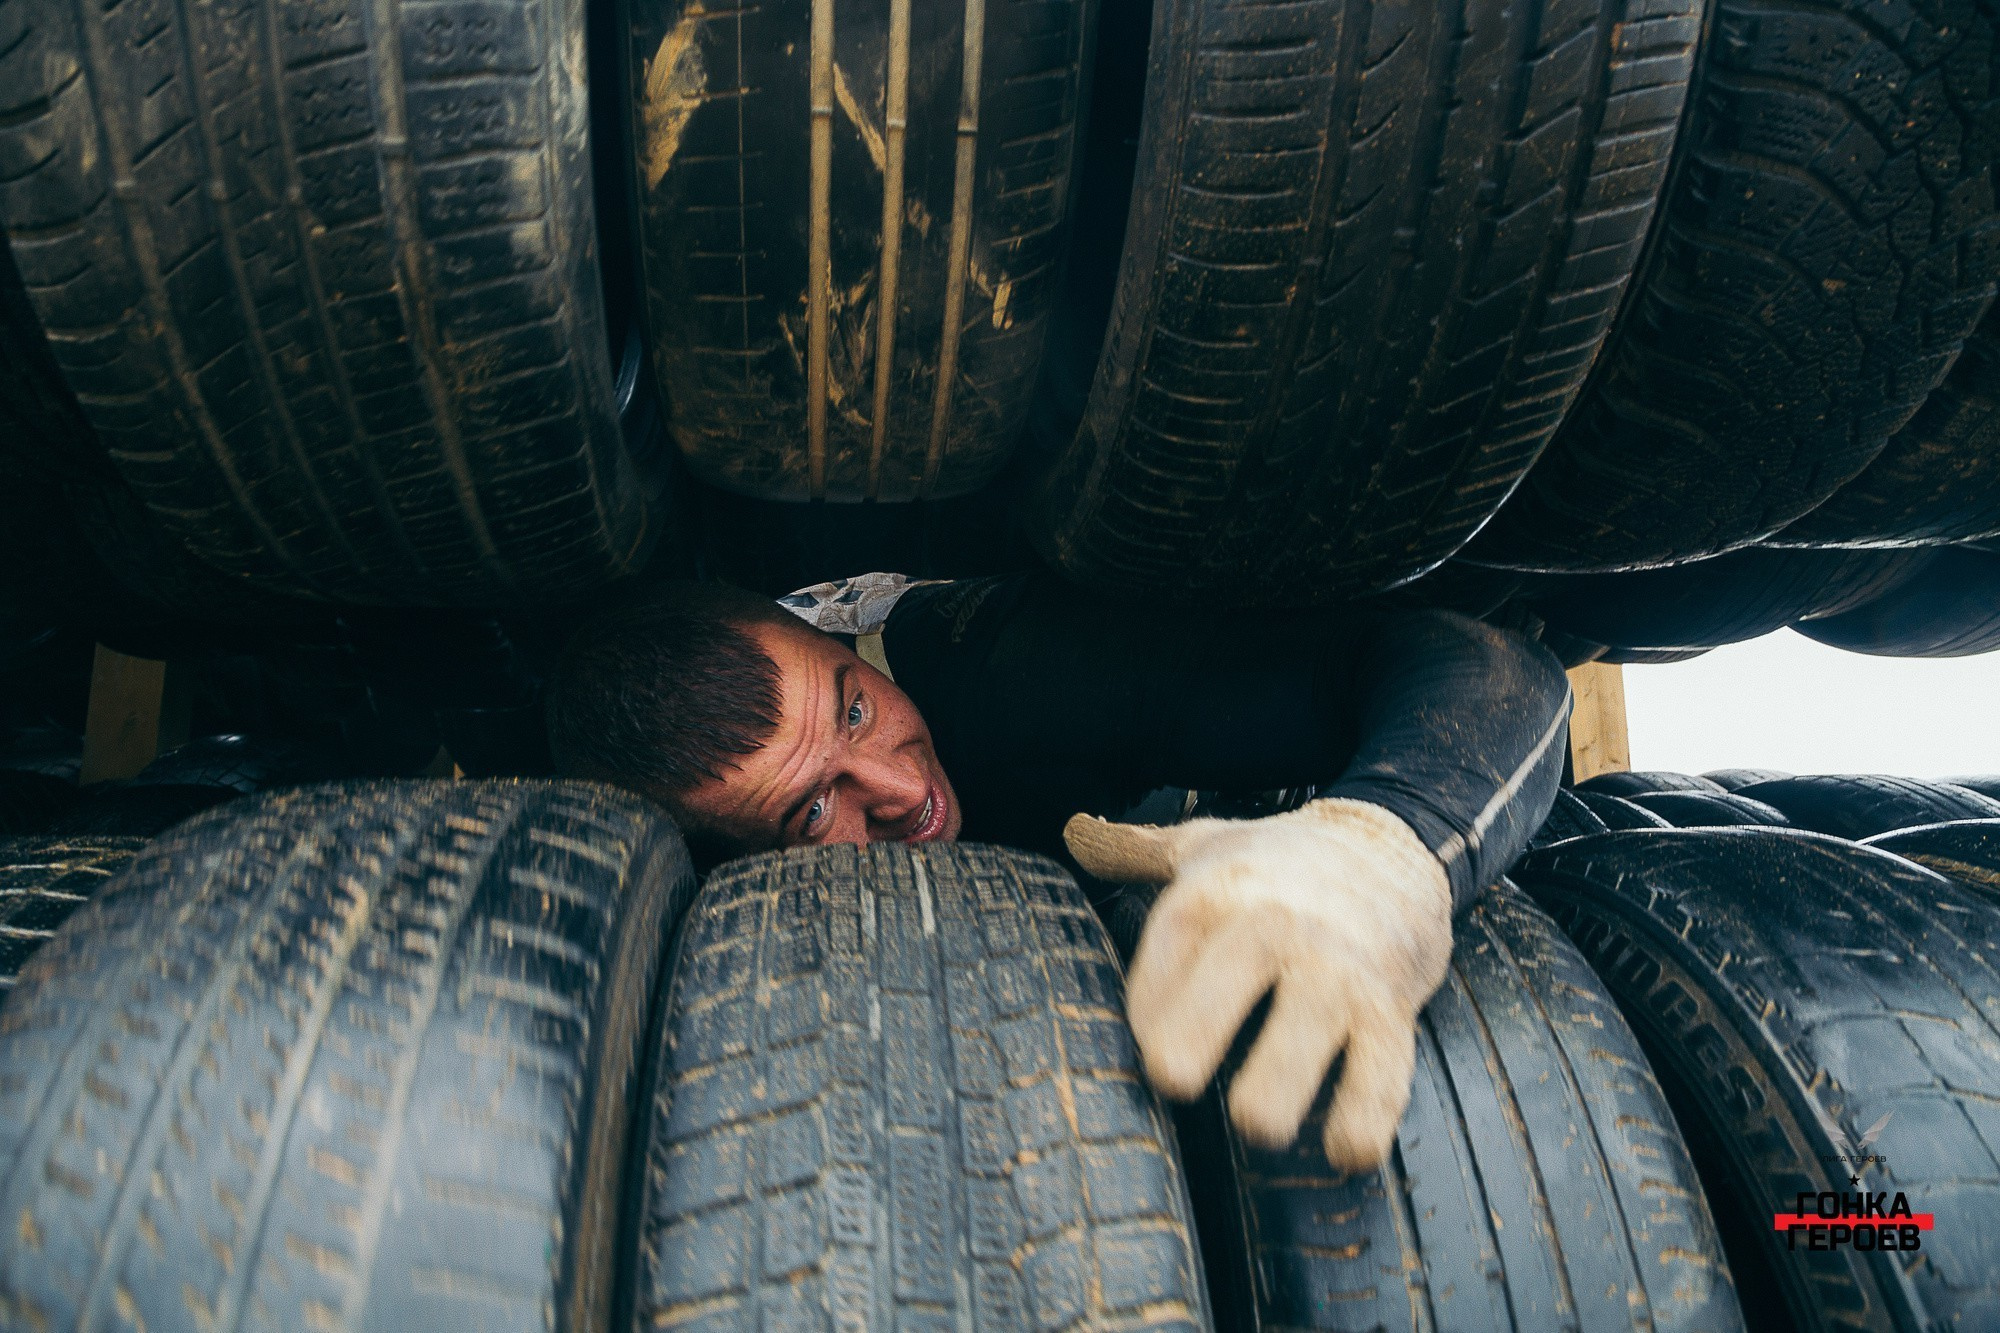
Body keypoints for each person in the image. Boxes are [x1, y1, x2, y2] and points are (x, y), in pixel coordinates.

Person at [547, 571, 1570, 1172]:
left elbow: (1481, 666)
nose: (895, 792)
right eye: (813, 809)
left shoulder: (1013, 674)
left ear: (833, 637)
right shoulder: (724, 942)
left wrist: (1387, 847)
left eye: (853, 707)